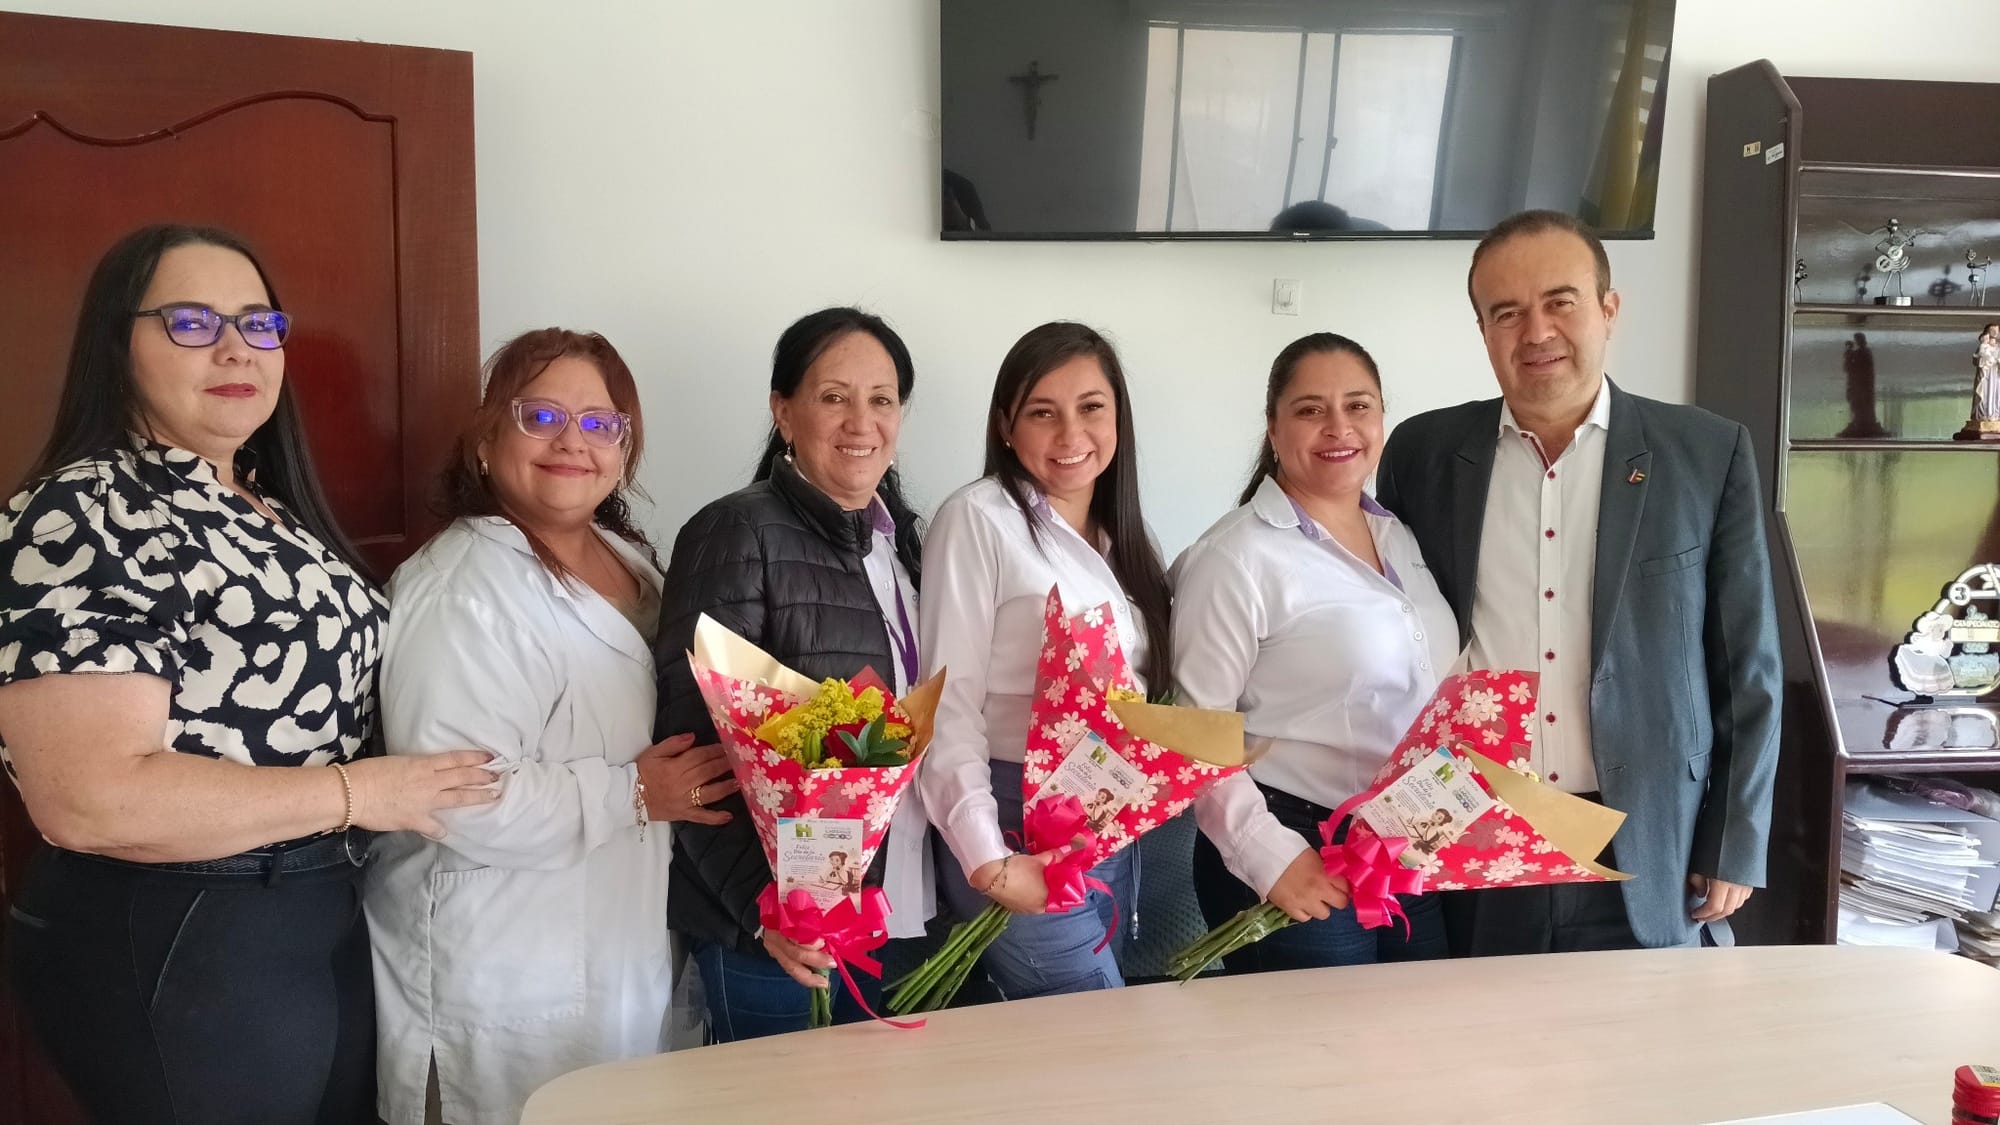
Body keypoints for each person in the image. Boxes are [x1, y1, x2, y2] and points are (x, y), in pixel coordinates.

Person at [0, 224, 495, 1124]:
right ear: (120, 342)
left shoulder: (262, 501)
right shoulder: (87, 506)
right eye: (191, 321)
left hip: (309, 905)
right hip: (177, 922)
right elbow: (91, 797)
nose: (236, 347)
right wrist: (356, 791)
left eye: (260, 323)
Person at [1375, 209, 1782, 954]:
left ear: (1608, 309)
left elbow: (1746, 667)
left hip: (1649, 842)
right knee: (1478, 1059)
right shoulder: (1422, 454)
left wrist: (1735, 837)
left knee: (1641, 1062)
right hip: (1478, 832)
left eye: (1560, 301)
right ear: (1484, 331)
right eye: (1507, 312)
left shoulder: (1704, 450)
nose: (1536, 332)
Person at [366, 329, 731, 1124]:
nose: (574, 441)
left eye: (602, 424)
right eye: (542, 416)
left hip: (615, 948)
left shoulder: (629, 563)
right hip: (499, 972)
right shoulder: (462, 588)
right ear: (489, 439)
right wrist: (633, 792)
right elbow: (457, 795)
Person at [655, 307, 931, 1042]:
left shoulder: (904, 545)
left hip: (894, 906)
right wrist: (763, 908)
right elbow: (695, 751)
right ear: (784, 411)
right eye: (834, 396)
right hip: (779, 933)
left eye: (882, 399)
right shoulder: (735, 531)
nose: (861, 421)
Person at [1176, 333, 1454, 973]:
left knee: (1422, 1046)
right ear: (1273, 427)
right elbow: (1197, 735)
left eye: (1359, 406)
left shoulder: (1400, 535)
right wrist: (1270, 857)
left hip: (1407, 847)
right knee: (1319, 1061)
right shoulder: (1234, 558)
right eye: (1310, 409)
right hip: (1295, 848)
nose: (1339, 427)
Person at [919, 321, 1171, 998]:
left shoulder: (1127, 542)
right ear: (1006, 425)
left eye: (1091, 408)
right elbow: (947, 702)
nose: (1070, 435)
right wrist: (987, 859)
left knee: (1064, 1056)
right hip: (1010, 814)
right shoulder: (978, 518)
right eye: (1042, 412)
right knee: (1097, 1029)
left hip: (1106, 816)